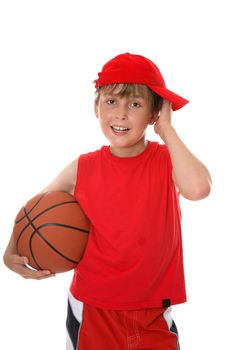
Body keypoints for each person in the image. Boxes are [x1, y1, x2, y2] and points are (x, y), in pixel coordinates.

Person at [3, 53, 211, 350]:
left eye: (135, 104)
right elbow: (34, 211)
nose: (121, 114)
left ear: (154, 113)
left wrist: (167, 130)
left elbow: (199, 188)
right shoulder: (83, 167)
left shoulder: (167, 161)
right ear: (96, 108)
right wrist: (10, 251)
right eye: (111, 102)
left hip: (152, 310)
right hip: (92, 308)